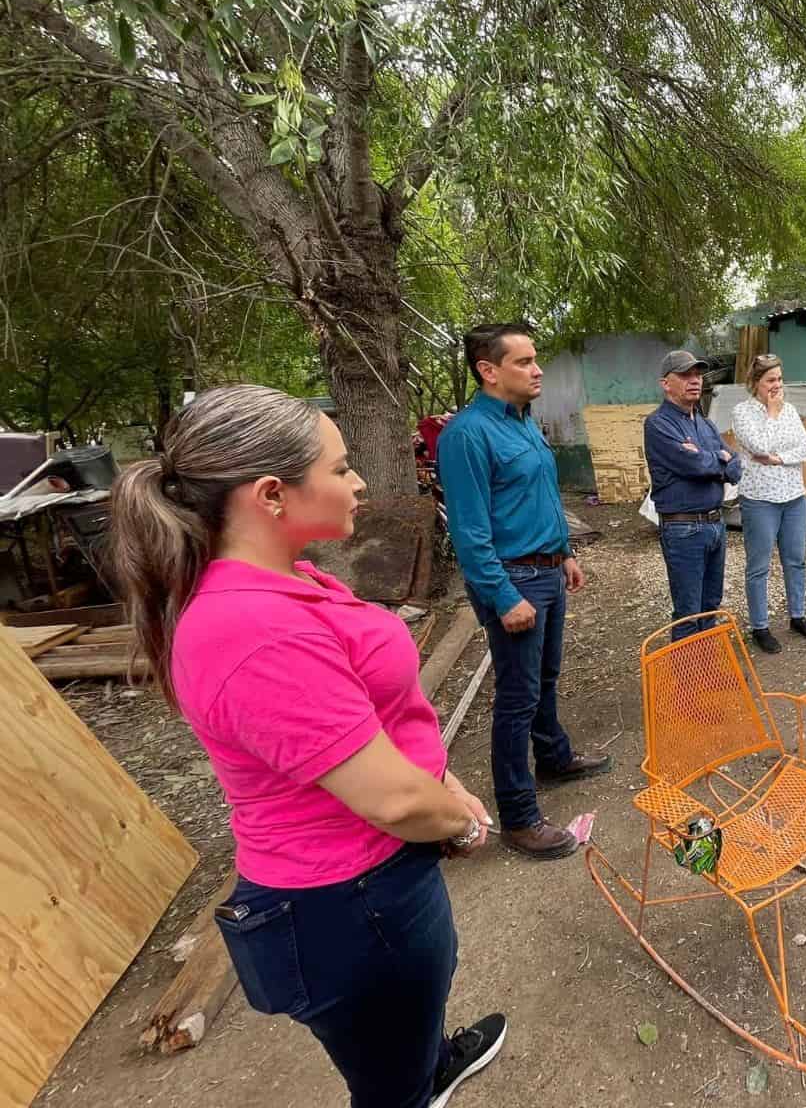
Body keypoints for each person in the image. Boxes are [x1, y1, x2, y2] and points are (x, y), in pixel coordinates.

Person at [108, 385, 505, 1108]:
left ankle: (430, 1061)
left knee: (404, 1032)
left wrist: (443, 787)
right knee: (389, 1087)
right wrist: (463, 821)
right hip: (348, 905)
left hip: (372, 884)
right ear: (271, 495)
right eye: (341, 467)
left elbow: (375, 723)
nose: (358, 483)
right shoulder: (253, 629)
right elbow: (389, 797)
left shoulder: (290, 581)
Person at [437, 323, 611, 863]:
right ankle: (518, 815)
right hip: (513, 580)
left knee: (546, 678)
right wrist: (503, 595)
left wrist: (564, 553)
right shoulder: (467, 435)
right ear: (489, 371)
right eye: (524, 362)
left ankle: (553, 758)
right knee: (516, 698)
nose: (538, 371)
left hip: (547, 572)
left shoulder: (524, 422)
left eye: (536, 360)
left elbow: (539, 497)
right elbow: (469, 531)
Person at [644, 349, 744, 640]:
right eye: (685, 375)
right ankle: (688, 682)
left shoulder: (704, 422)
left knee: (710, 606)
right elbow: (694, 465)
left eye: (698, 374)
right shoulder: (658, 424)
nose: (695, 380)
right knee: (688, 611)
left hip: (715, 523)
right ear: (666, 383)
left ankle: (706, 673)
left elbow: (736, 466)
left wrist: (715, 458)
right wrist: (718, 458)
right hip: (683, 527)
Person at [731, 353, 806, 653]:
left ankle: (797, 615)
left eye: (780, 379)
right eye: (770, 380)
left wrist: (777, 458)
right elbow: (758, 446)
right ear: (755, 383)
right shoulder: (742, 412)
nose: (777, 385)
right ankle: (760, 626)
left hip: (793, 495)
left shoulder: (791, 410)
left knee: (795, 559)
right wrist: (771, 412)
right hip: (760, 498)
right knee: (758, 566)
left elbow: (805, 448)